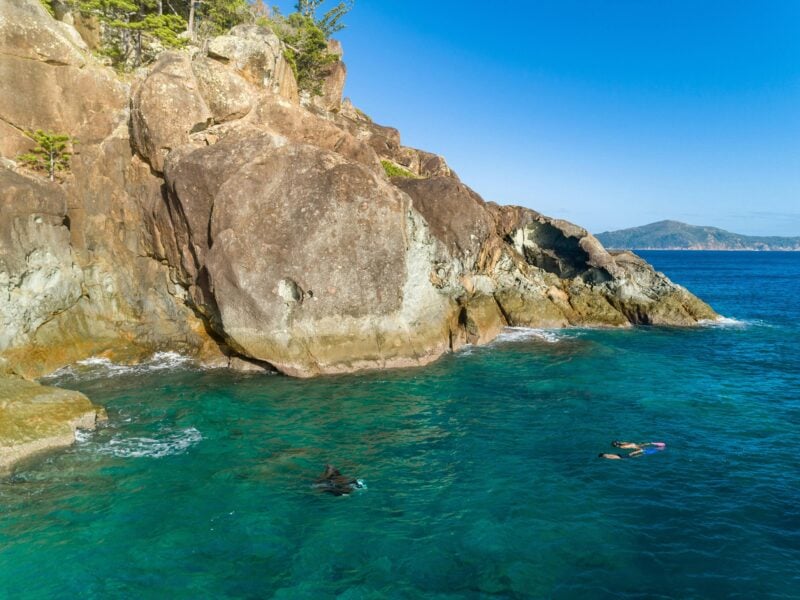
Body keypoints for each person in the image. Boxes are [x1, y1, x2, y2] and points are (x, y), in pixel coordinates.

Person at [599, 441, 666, 459]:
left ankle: (604, 455)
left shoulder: (622, 447)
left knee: (619, 456)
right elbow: (629, 444)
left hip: (632, 452)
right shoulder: (622, 444)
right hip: (631, 450)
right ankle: (604, 456)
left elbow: (634, 453)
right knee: (618, 457)